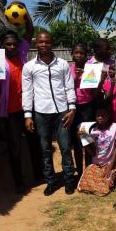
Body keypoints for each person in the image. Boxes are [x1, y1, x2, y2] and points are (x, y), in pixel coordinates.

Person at [0, 9, 42, 193]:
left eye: (14, 44)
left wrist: (25, 11)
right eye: (8, 45)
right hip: (9, 112)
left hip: (28, 109)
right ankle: (19, 183)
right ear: (2, 45)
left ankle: (39, 176)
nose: (12, 47)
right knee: (15, 147)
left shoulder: (23, 55)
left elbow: (30, 31)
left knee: (34, 143)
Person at [22, 31, 77, 196]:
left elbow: (69, 86)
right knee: (45, 149)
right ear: (35, 44)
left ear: (52, 43)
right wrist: (28, 115)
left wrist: (72, 109)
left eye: (46, 42)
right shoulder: (30, 66)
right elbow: (27, 91)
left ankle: (69, 180)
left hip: (62, 112)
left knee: (66, 147)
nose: (43, 45)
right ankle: (51, 182)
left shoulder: (62, 64)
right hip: (41, 113)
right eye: (40, 42)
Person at [78, 101, 116, 195]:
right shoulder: (93, 131)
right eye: (98, 116)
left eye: (103, 115)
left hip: (111, 164)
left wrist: (110, 167)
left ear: (108, 115)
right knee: (84, 185)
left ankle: (108, 179)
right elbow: (93, 153)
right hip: (97, 164)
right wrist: (83, 140)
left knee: (105, 185)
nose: (100, 118)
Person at [70, 43, 98, 177]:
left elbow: (95, 91)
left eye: (82, 53)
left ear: (86, 56)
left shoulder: (91, 70)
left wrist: (87, 76)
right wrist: (75, 77)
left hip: (88, 108)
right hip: (74, 109)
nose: (79, 55)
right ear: (72, 54)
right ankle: (79, 170)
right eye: (76, 52)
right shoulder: (68, 69)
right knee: (76, 141)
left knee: (86, 139)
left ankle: (87, 170)